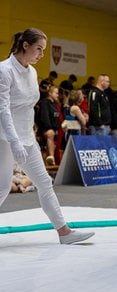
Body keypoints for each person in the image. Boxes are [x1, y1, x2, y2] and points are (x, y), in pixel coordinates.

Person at [0, 28, 94, 244]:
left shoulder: (32, 72)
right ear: (25, 45)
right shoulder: (4, 70)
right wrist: (14, 141)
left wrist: (28, 135)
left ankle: (64, 232)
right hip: (4, 137)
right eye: (39, 49)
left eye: (43, 50)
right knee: (3, 187)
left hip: (27, 136)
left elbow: (28, 107)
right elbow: (3, 109)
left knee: (44, 182)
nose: (42, 54)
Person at [37, 85, 61, 165]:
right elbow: (45, 116)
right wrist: (49, 128)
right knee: (50, 134)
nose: (58, 95)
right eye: (56, 93)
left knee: (52, 140)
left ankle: (49, 161)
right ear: (50, 93)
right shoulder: (44, 102)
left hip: (53, 130)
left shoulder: (54, 104)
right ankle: (51, 157)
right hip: (44, 129)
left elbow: (56, 118)